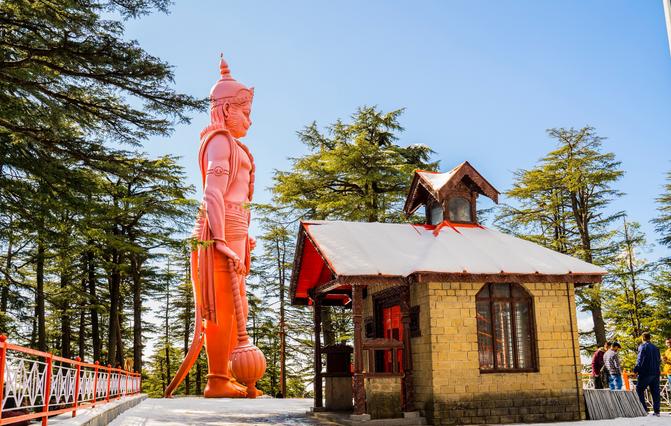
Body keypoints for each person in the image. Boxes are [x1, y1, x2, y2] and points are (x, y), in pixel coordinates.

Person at [634, 332, 661, 416]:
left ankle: (644, 410)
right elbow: (659, 360)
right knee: (655, 391)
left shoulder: (642, 346)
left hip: (646, 372)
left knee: (639, 389)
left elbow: (640, 359)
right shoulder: (656, 347)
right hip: (656, 372)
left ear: (643, 338)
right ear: (650, 338)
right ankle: (657, 411)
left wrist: (636, 370)